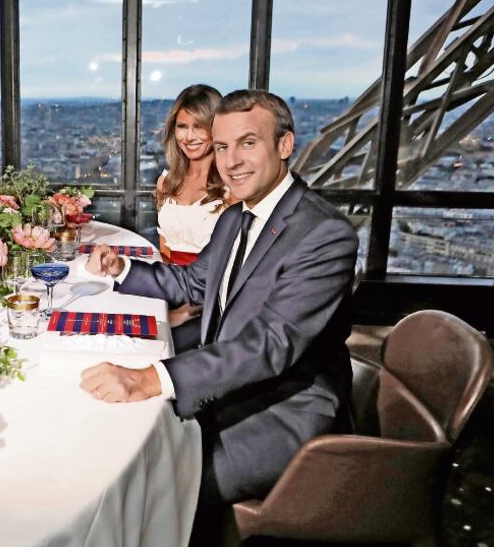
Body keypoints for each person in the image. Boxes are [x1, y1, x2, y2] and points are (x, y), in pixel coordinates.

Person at [82, 90, 358, 506]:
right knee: (111, 441)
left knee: (143, 490)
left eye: (248, 143)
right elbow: (194, 283)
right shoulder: (235, 216)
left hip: (282, 413)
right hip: (227, 389)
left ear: (284, 145)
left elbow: (270, 344)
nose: (231, 161)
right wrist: (123, 269)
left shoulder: (324, 234)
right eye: (224, 146)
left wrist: (152, 378)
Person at [155, 84, 227, 342]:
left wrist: (185, 312)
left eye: (199, 126)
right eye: (182, 126)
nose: (189, 136)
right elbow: (165, 251)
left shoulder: (232, 188)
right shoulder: (166, 182)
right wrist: (165, 303)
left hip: (211, 306)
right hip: (171, 295)